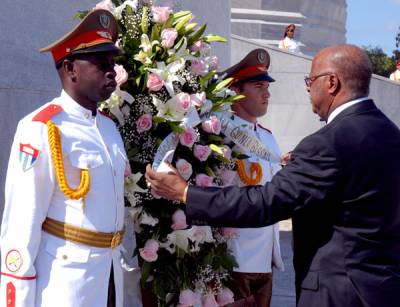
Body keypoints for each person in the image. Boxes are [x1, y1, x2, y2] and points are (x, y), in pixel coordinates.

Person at [145, 44, 400, 307]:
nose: (307, 88)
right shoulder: (392, 134)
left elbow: (268, 201)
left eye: (310, 80)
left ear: (332, 82)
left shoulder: (327, 143)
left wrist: (186, 193)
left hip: (339, 293)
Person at [0, 9, 128, 307]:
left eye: (112, 62)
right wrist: (15, 298)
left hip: (108, 276)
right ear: (70, 69)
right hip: (66, 284)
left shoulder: (108, 127)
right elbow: (21, 221)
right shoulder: (42, 128)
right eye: (100, 63)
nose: (112, 71)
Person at [217, 49, 284, 307]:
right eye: (258, 86)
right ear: (235, 89)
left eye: (267, 86)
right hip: (235, 260)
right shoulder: (221, 134)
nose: (266, 93)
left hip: (264, 261)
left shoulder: (268, 138)